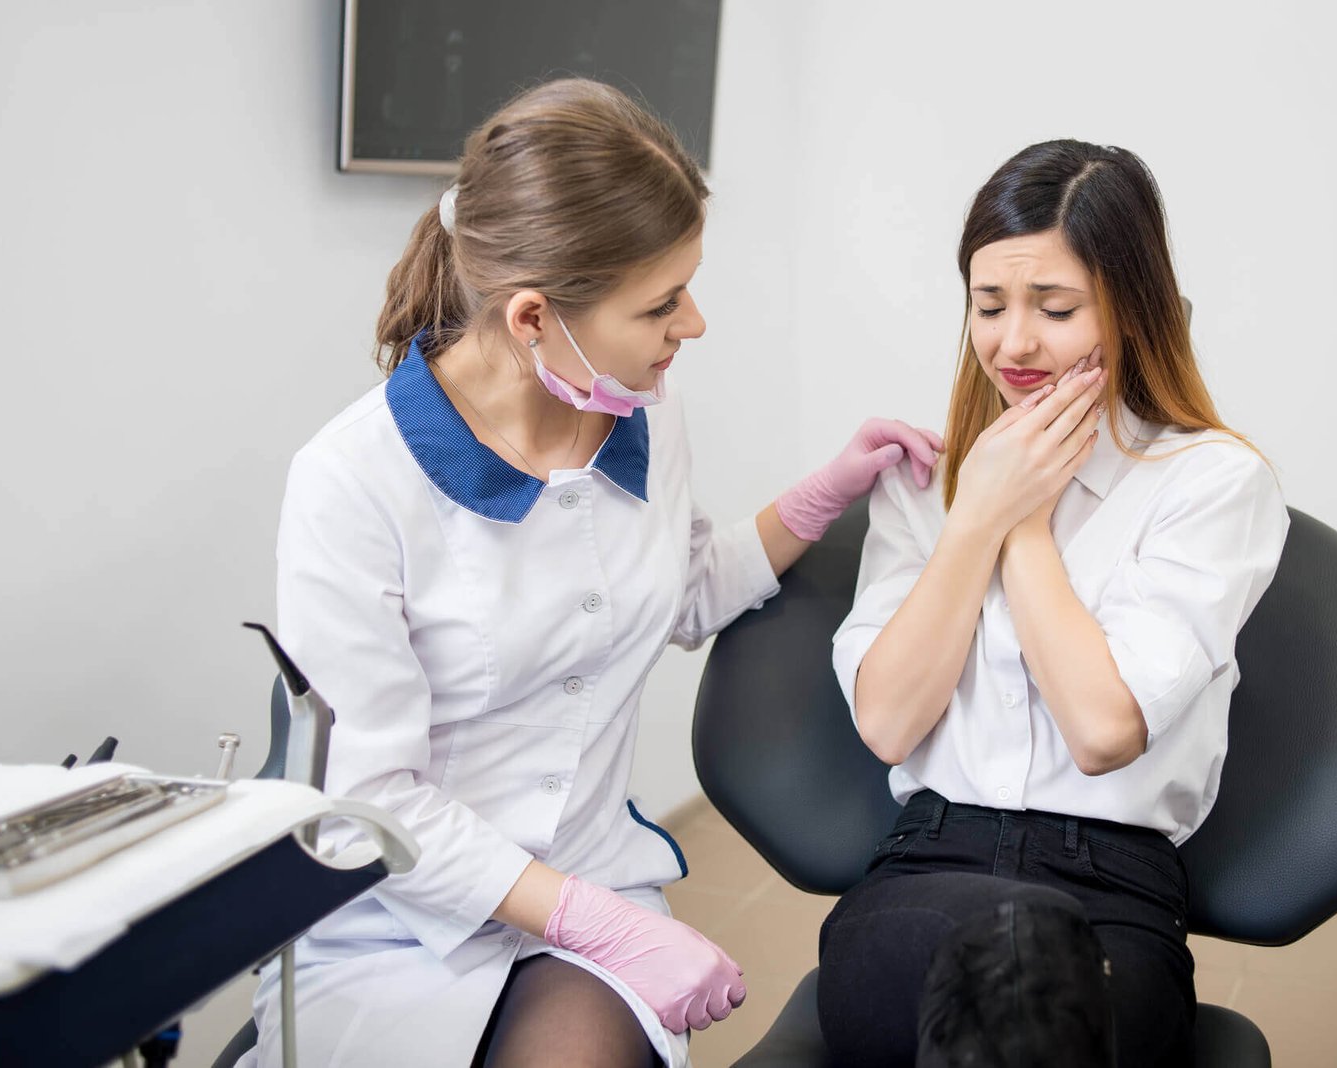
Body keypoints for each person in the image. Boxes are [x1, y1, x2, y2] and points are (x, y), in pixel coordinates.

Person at [245, 78, 940, 1068]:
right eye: (661, 302)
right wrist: (600, 925)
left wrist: (818, 498)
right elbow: (377, 803)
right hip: (389, 921)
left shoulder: (643, 411)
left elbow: (683, 590)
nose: (692, 323)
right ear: (534, 318)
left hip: (585, 882)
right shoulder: (353, 482)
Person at [816, 139, 1290, 1066]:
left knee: (1041, 997)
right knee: (1001, 989)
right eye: (989, 307)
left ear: (1134, 308)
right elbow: (887, 720)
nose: (1015, 343)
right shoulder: (927, 485)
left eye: (1056, 308)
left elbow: (1103, 728)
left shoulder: (1212, 483)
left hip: (1111, 890)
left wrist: (1020, 522)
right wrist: (971, 518)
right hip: (925, 869)